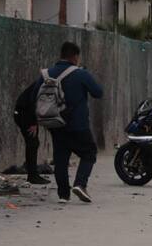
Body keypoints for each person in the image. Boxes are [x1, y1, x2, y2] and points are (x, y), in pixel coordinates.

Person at [40, 41, 104, 203]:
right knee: (89, 153)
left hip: (55, 123)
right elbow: (98, 92)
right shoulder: (80, 74)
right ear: (75, 57)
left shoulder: (47, 74)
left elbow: (35, 95)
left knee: (61, 158)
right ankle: (80, 184)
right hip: (78, 124)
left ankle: (63, 195)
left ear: (61, 55)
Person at [13, 79, 49, 184]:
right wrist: (33, 122)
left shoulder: (45, 80)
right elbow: (33, 100)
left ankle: (33, 173)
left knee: (33, 143)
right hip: (25, 114)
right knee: (32, 143)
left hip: (25, 113)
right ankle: (32, 175)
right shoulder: (46, 82)